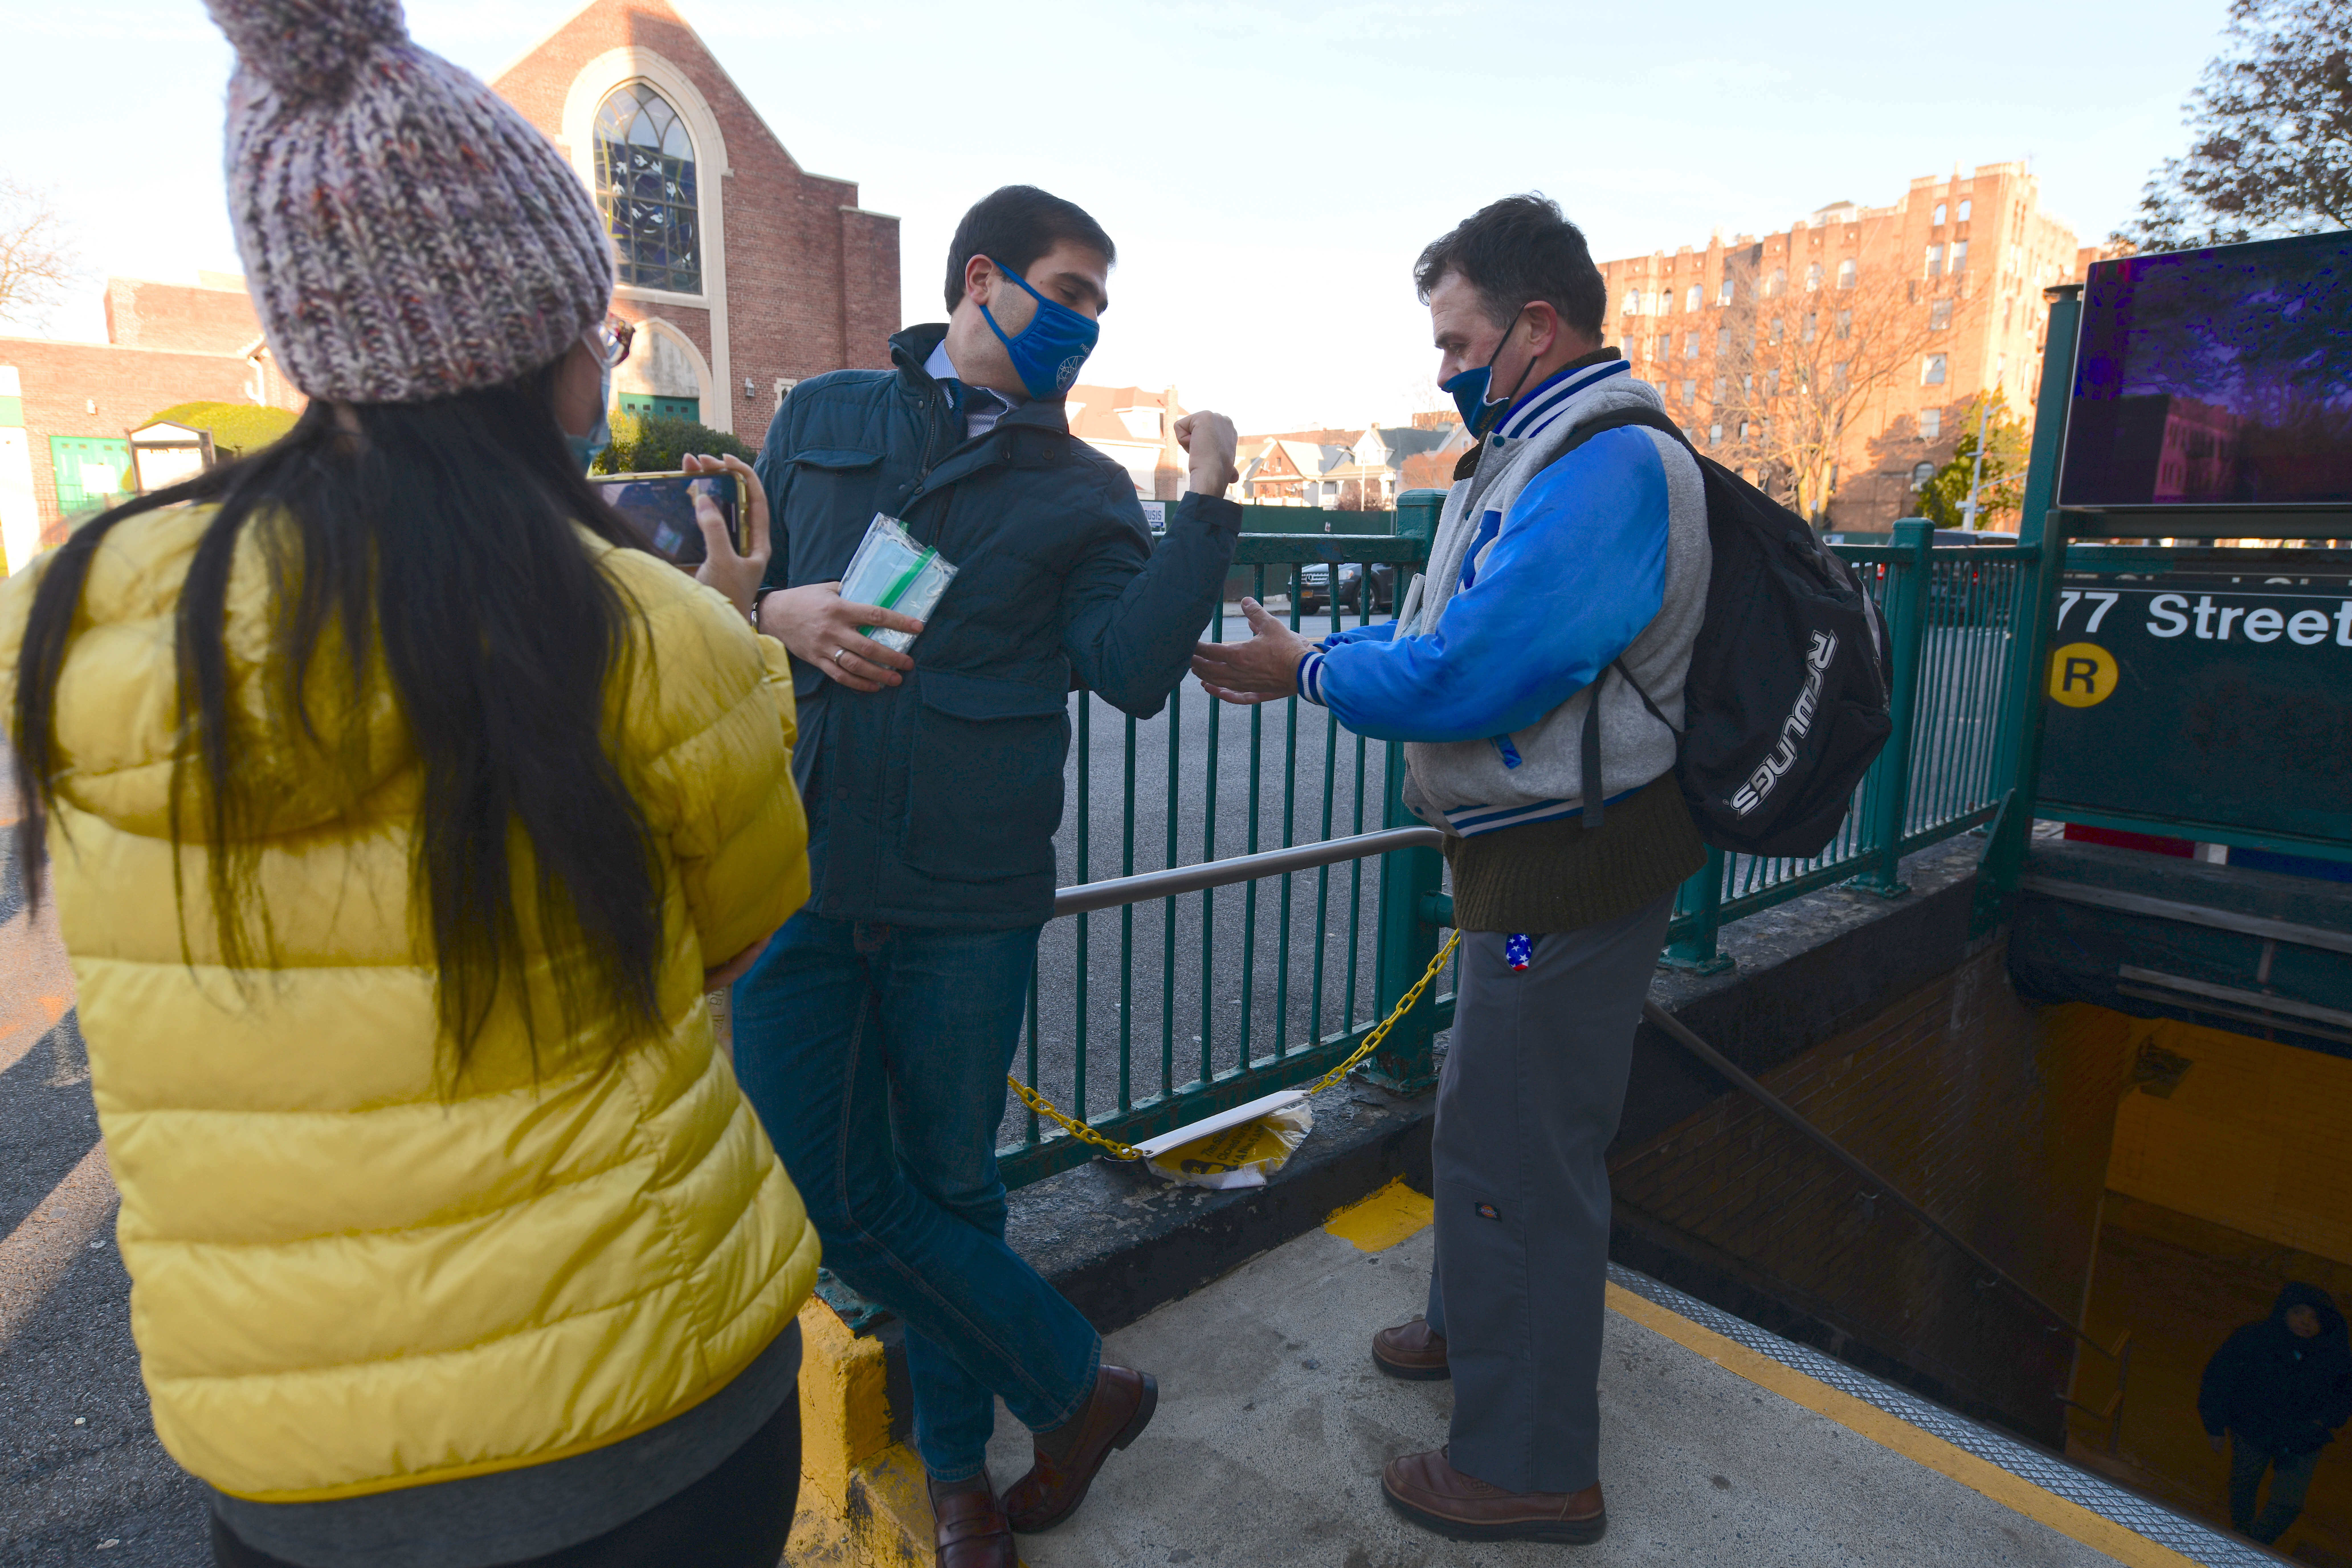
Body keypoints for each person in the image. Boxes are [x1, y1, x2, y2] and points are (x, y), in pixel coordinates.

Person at [0, 2, 818, 1563]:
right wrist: (738, 640)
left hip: (296, 1454)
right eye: (603, 325)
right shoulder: (644, 629)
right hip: (648, 1406)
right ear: (535, 344)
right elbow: (734, 942)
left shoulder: (83, 611)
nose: (612, 354)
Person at [732, 186, 1243, 1566]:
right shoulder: (823, 414)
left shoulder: (1083, 489)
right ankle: (1084, 1385)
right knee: (832, 1192)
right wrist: (763, 609)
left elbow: (1132, 670)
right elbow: (732, 589)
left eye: (1098, 305)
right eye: (1068, 291)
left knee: (950, 1184)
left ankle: (959, 1474)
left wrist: (1202, 503)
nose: (1083, 321)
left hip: (967, 887)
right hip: (799, 865)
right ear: (980, 279)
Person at [1191, 193, 1713, 1546]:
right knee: (1490, 1114)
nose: (1441, 368)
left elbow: (1478, 667)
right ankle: (1472, 1326)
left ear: (1537, 324)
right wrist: (1324, 654)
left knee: (1522, 1145)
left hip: (1564, 881)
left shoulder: (1598, 464)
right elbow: (1456, 626)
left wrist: (1300, 665)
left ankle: (1532, 1464)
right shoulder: (1537, 443)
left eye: (1456, 337)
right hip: (1539, 867)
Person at [2200, 1283, 2352, 1544]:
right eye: (2299, 1313)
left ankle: (2252, 1546)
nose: (2306, 1322)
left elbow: (2344, 1393)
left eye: (2315, 1317)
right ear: (2285, 1312)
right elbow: (2220, 1378)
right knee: (2244, 1485)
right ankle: (2241, 1536)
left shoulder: (2333, 1355)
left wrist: (2325, 1421)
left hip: (2302, 1439)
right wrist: (2215, 1426)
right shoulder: (2254, 1339)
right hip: (2254, 1429)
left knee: (2289, 1502)